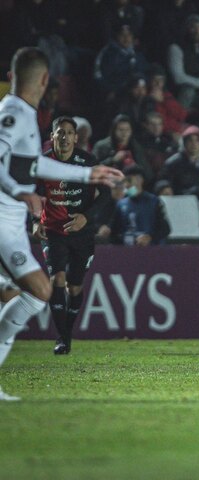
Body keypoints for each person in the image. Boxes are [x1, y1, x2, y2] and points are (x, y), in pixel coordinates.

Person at [0, 47, 123, 401]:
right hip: (5, 220)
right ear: (44, 80)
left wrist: (87, 173)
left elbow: (35, 167)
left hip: (14, 222)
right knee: (39, 292)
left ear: (11, 76)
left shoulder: (25, 114)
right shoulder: (15, 113)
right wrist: (18, 193)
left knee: (16, 295)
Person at [33, 116, 110, 355]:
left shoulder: (87, 162)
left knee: (74, 287)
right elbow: (31, 194)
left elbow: (107, 194)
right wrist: (36, 219)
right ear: (52, 137)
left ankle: (66, 333)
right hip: (54, 230)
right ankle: (62, 338)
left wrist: (86, 217)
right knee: (57, 279)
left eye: (69, 132)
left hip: (82, 232)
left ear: (76, 138)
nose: (65, 137)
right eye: (60, 132)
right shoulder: (42, 164)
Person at [110, 166, 171, 246]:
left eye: (129, 180)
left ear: (140, 180)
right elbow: (114, 232)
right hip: (127, 253)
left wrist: (150, 237)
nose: (127, 184)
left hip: (151, 252)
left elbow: (165, 229)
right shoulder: (121, 204)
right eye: (124, 181)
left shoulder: (154, 202)